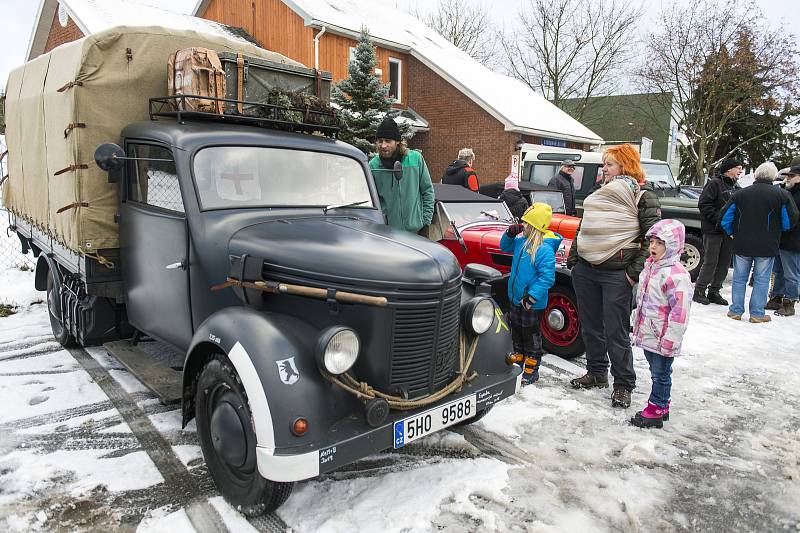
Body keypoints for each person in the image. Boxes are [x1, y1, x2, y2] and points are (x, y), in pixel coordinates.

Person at [567, 144, 661, 408]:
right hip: (586, 269)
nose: (604, 169)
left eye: (609, 164)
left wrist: (631, 274)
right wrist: (575, 261)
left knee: (615, 331)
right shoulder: (601, 194)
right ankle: (597, 372)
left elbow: (651, 238)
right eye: (604, 164)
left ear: (625, 165)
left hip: (616, 274)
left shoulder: (642, 195)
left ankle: (623, 384)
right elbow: (585, 228)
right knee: (591, 326)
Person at [629, 219, 693, 429]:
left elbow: (680, 312)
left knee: (661, 373)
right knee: (657, 370)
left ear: (673, 246)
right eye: (652, 242)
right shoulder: (651, 268)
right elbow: (643, 300)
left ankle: (656, 408)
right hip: (650, 332)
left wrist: (671, 339)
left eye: (660, 243)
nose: (653, 247)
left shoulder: (676, 275)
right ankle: (662, 405)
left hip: (664, 336)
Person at [720, 162, 799, 322]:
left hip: (742, 243)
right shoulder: (782, 195)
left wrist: (731, 233)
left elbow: (725, 217)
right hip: (767, 244)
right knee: (762, 279)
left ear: (756, 175)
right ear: (773, 176)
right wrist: (777, 232)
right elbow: (789, 221)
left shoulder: (740, 194)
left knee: (739, 278)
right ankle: (757, 313)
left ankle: (735, 310)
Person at [500, 203, 561, 385]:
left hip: (530, 304)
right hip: (516, 300)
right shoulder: (519, 242)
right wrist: (510, 233)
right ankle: (518, 364)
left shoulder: (544, 250)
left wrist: (531, 297)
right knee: (516, 334)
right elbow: (504, 246)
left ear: (534, 227)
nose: (522, 226)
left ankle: (531, 370)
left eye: (526, 223)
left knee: (531, 338)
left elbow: (547, 278)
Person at [369, 117, 434, 234]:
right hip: (388, 233)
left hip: (416, 231)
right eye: (380, 141)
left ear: (397, 141)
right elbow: (371, 200)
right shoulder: (373, 165)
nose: (383, 145)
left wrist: (425, 221)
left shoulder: (415, 159)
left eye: (388, 141)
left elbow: (427, 190)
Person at [694, 159, 743, 305]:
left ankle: (714, 290)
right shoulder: (714, 183)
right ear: (728, 169)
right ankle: (699, 290)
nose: (740, 171)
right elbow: (704, 204)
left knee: (724, 262)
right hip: (713, 230)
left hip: (729, 232)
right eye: (738, 168)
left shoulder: (736, 187)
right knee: (711, 261)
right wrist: (719, 219)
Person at [766, 165, 800, 316]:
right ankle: (776, 297)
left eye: (792, 176)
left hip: (794, 240)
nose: (788, 178)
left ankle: (790, 301)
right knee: (777, 271)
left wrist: (787, 226)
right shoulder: (788, 192)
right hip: (780, 238)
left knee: (791, 273)